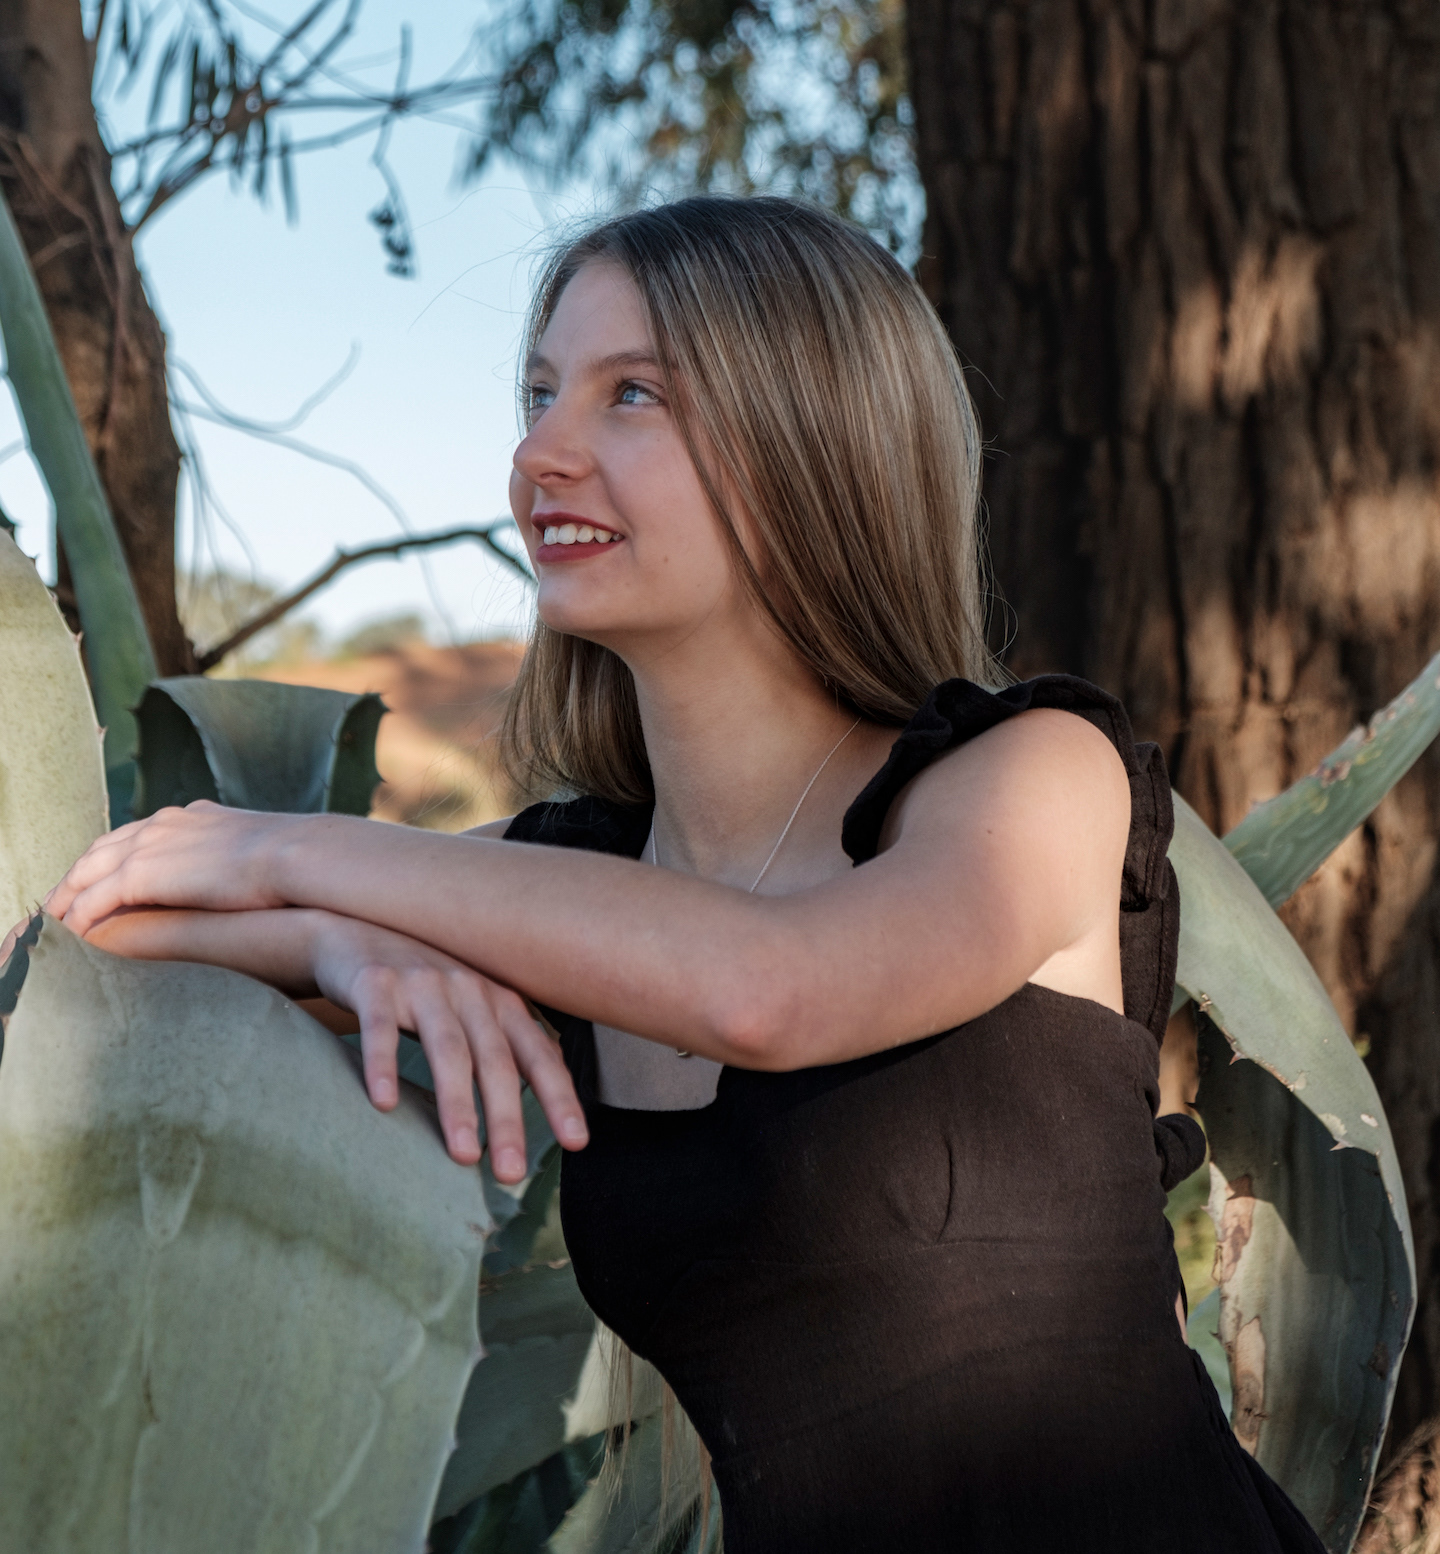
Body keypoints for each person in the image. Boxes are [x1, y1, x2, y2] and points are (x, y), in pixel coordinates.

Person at [46, 196, 1324, 1553]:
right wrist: (338, 944)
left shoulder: (1029, 775)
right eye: (539, 393)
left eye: (633, 394)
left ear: (811, 439)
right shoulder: (579, 886)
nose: (540, 451)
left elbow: (773, 987)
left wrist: (303, 848)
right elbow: (76, 963)